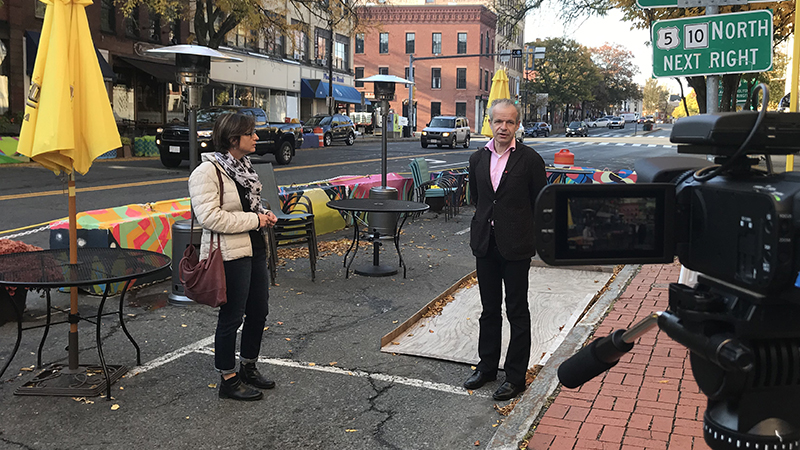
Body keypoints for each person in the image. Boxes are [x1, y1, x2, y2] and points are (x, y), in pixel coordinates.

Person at [188, 113, 278, 401]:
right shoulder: (207, 172)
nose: (255, 138)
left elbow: (247, 206)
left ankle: (249, 366)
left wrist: (263, 215)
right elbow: (210, 217)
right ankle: (228, 378)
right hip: (229, 253)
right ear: (232, 138)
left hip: (253, 247)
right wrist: (255, 220)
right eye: (250, 133)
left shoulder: (243, 166)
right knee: (232, 316)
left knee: (259, 311)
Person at [465, 98, 548, 401]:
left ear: (517, 125)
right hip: (485, 245)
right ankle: (487, 367)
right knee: (489, 310)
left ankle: (515, 376)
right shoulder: (477, 159)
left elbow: (541, 203)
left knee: (517, 311)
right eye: (498, 121)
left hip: (516, 247)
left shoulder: (530, 160)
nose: (503, 127)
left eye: (509, 122)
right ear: (489, 123)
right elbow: (478, 200)